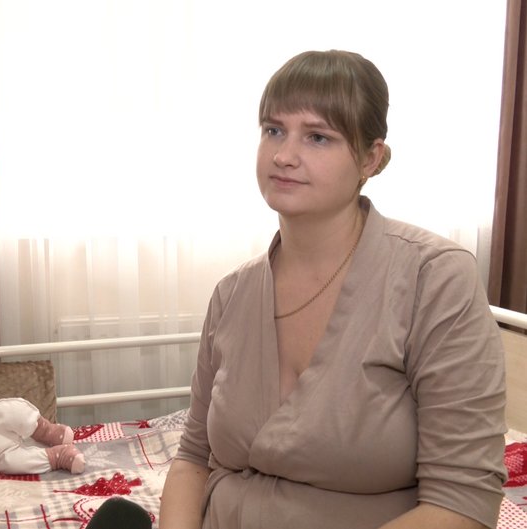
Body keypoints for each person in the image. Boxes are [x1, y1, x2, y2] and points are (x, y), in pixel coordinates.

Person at [152, 50, 507, 528]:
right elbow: (194, 457)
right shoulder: (231, 294)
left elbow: (462, 504)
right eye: (273, 130)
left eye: (317, 136)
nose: (283, 155)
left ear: (370, 158)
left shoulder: (435, 279)